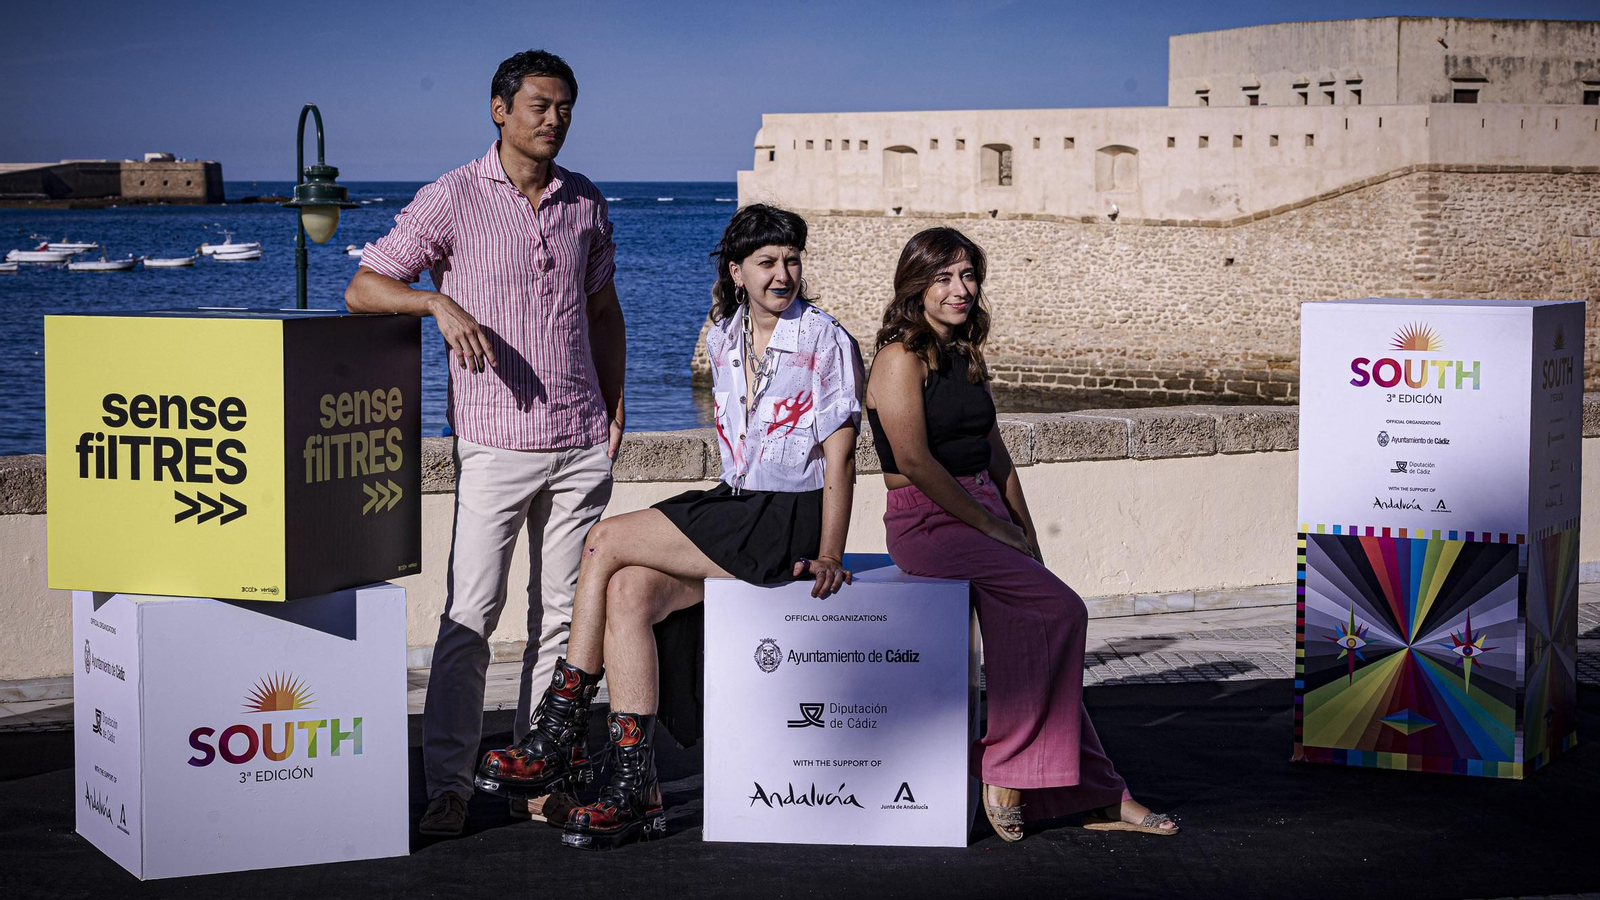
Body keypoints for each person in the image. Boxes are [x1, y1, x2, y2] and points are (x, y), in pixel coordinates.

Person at [474, 203, 862, 850]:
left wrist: (829, 552)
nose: (783, 273)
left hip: (787, 517)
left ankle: (557, 736)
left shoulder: (825, 339)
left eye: (792, 260)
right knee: (629, 592)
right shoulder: (722, 335)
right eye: (767, 262)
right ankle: (636, 792)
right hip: (736, 504)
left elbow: (843, 459)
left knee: (604, 540)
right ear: (737, 271)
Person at [344, 49, 626, 837]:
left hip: (579, 438)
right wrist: (435, 303)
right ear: (499, 109)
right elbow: (365, 287)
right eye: (539, 105)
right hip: (495, 442)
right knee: (472, 612)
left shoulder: (586, 202)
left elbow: (604, 313)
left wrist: (615, 404)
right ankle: (450, 785)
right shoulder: (452, 197)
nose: (554, 119)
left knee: (566, 621)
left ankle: (542, 774)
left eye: (565, 106)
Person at [863, 227, 1178, 842]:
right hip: (923, 517)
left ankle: (1100, 797)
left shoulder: (967, 356)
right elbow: (915, 460)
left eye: (968, 276)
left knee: (1034, 623)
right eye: (944, 277)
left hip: (980, 506)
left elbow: (996, 453)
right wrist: (988, 526)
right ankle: (1005, 767)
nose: (960, 289)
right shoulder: (900, 356)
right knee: (1061, 610)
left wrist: (1024, 533)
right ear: (916, 286)